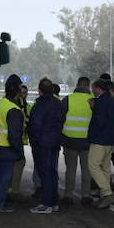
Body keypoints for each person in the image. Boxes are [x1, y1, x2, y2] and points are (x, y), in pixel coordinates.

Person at [29, 78, 66, 212]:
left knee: (45, 173)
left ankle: (46, 203)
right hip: (54, 142)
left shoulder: (39, 106)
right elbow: (62, 120)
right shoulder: (58, 103)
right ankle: (54, 201)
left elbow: (35, 125)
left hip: (42, 144)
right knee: (52, 172)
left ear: (39, 91)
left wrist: (35, 141)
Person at [86, 78, 114, 209]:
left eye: (93, 88)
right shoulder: (112, 100)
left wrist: (91, 136)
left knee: (93, 165)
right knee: (105, 168)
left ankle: (107, 193)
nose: (92, 91)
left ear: (98, 88)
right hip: (110, 139)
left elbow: (99, 121)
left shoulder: (100, 102)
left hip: (99, 140)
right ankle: (104, 195)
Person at [0, 77, 26, 213]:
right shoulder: (14, 110)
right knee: (5, 177)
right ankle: (0, 203)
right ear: (18, 93)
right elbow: (14, 134)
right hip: (8, 148)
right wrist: (19, 151)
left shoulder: (1, 104)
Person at [61, 77, 94, 204]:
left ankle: (68, 195)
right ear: (88, 86)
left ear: (77, 85)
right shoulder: (93, 100)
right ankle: (86, 196)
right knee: (86, 169)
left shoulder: (68, 99)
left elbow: (61, 118)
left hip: (70, 140)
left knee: (70, 169)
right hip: (87, 141)